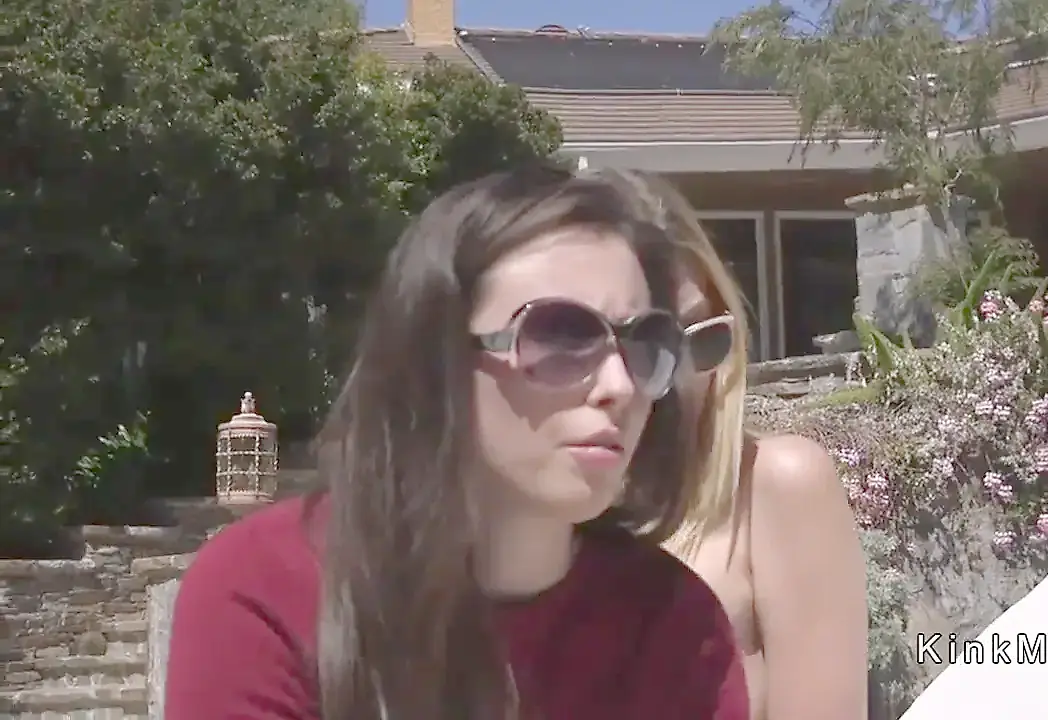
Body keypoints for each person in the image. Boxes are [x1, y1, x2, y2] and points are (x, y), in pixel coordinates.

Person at [164, 165, 750, 720]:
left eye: (646, 344)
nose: (619, 386)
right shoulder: (264, 591)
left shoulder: (680, 630)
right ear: (436, 360)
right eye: (560, 336)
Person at [592, 168, 869, 720]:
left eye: (703, 337)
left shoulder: (772, 490)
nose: (680, 379)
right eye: (646, 344)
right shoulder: (518, 520)